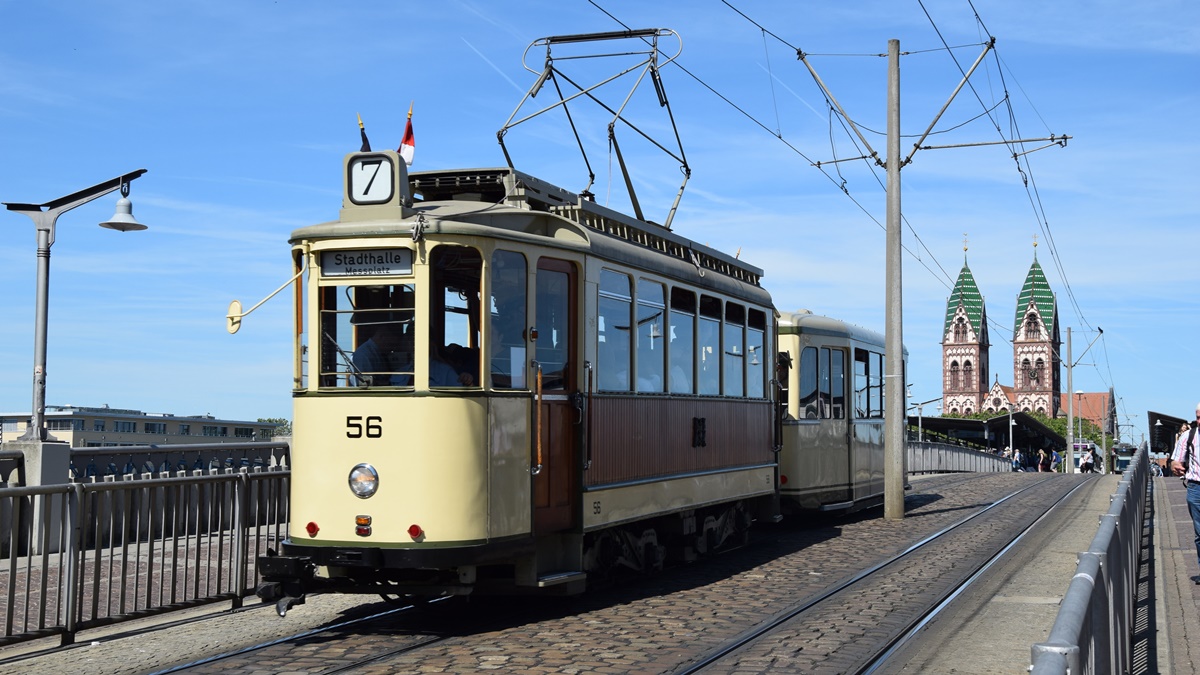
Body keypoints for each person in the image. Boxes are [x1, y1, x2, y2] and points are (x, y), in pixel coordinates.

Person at [1170, 403, 1200, 583]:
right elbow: (1175, 460)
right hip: (1196, 488)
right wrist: (1175, 466)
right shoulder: (1189, 436)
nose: (1199, 421)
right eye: (1197, 417)